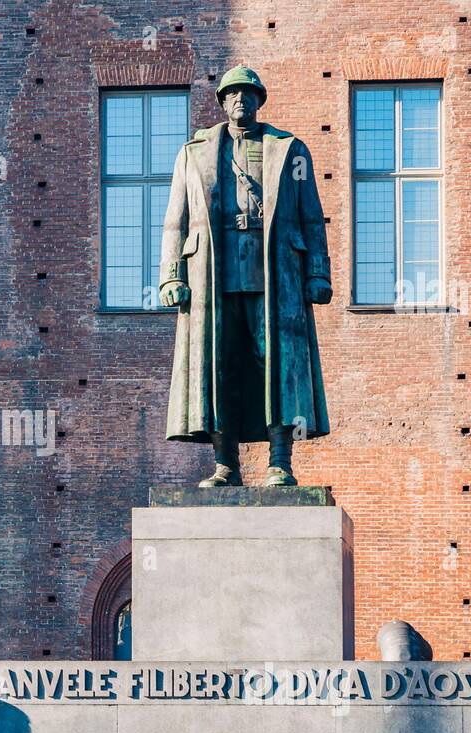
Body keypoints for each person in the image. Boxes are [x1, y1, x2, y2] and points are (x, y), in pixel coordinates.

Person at [158, 64, 332, 487]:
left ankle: (280, 461)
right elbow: (175, 220)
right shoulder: (193, 152)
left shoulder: (291, 151)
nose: (241, 100)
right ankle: (224, 465)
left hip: (274, 271)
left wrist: (317, 273)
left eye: (248, 94)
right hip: (212, 274)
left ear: (259, 101)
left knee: (279, 367)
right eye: (233, 94)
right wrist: (171, 275)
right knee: (220, 366)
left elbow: (312, 216)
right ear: (222, 102)